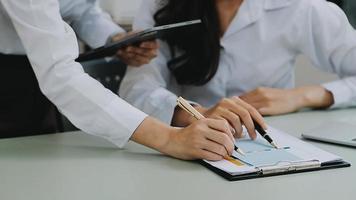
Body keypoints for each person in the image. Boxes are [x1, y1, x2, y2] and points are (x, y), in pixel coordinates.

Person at [0, 0, 266, 161]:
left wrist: (115, 39)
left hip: (33, 71)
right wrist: (168, 139)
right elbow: (59, 74)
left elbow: (79, 9)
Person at [120, 0, 356, 137]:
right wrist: (197, 114)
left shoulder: (303, 8)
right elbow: (137, 89)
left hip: (271, 144)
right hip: (183, 142)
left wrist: (302, 96)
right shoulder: (160, 5)